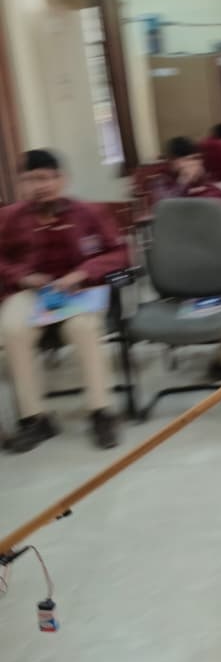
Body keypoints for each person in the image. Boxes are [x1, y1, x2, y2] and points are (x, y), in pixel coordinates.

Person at [0, 150, 127, 453]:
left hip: (77, 291)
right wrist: (23, 277)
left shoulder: (89, 213)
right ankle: (34, 419)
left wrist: (81, 273)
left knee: (84, 329)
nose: (39, 186)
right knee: (13, 329)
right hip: (30, 292)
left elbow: (120, 252)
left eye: (45, 178)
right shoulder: (9, 218)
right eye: (30, 180)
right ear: (21, 184)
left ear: (62, 179)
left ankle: (100, 411)